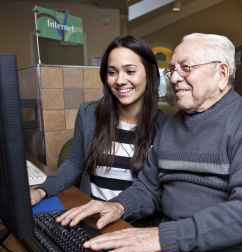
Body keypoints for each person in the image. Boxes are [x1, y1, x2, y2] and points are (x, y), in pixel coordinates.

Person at [56, 33, 242, 252]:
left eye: (186, 68)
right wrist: (118, 206)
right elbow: (148, 187)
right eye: (173, 70)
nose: (175, 78)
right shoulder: (172, 126)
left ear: (222, 73)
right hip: (173, 249)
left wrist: (162, 237)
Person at [31, 35, 166, 226]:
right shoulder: (88, 114)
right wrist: (41, 190)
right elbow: (75, 163)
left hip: (134, 226)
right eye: (112, 72)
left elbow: (156, 191)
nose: (120, 80)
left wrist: (117, 208)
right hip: (91, 218)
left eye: (130, 71)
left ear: (150, 72)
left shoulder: (166, 127)